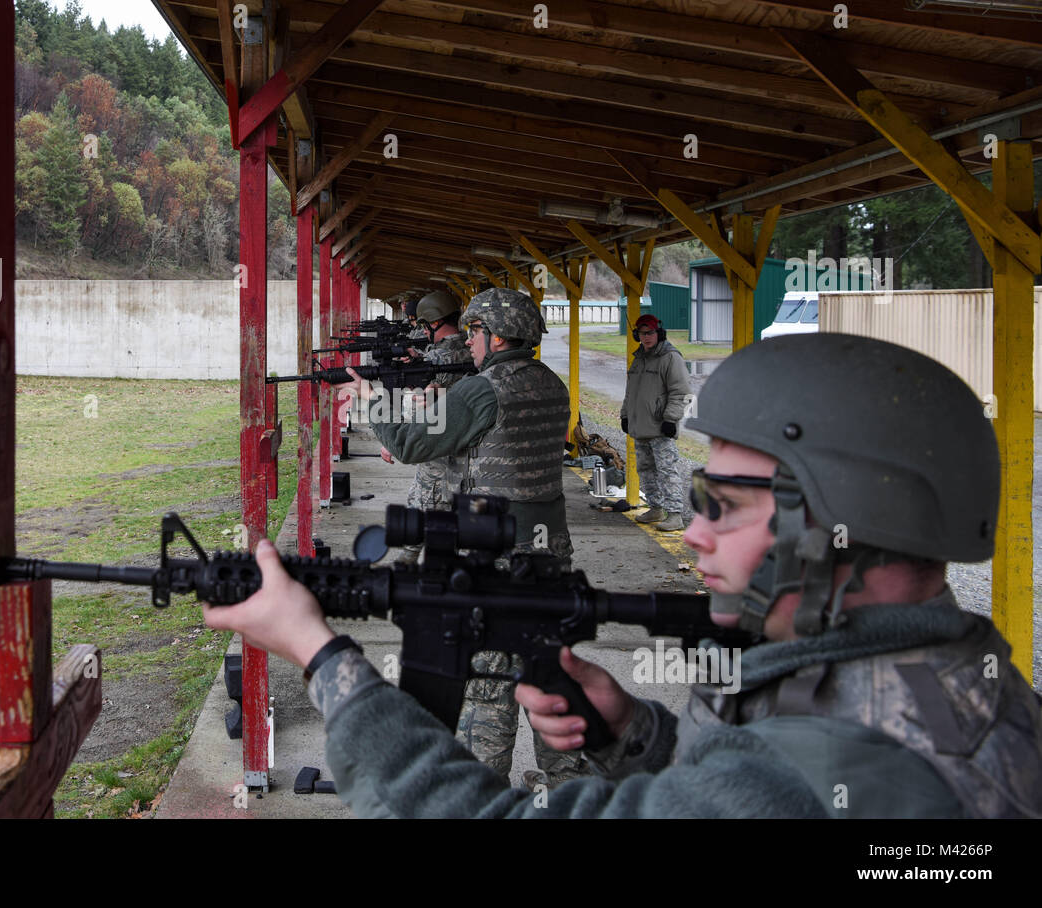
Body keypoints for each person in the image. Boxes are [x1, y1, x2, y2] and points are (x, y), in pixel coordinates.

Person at [204, 333, 1042, 818]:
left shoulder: (843, 765)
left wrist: (321, 657)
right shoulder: (958, 690)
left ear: (844, 521)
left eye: (725, 504)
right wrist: (634, 732)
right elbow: (737, 782)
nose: (696, 530)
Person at [350, 287, 580, 785]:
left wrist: (374, 402)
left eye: (476, 332)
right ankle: (567, 788)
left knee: (490, 683)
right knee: (549, 669)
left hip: (494, 556)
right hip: (549, 553)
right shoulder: (551, 384)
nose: (470, 342)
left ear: (497, 338)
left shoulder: (483, 389)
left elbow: (412, 443)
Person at [377, 290, 474, 565]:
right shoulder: (469, 349)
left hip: (440, 451)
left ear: (433, 323)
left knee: (421, 509)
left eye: (423, 324)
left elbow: (423, 405)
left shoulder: (441, 358)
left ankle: (406, 569)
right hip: (467, 452)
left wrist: (393, 439)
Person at [621, 314, 691, 532]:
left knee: (667, 469)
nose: (647, 337)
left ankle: (675, 514)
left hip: (660, 427)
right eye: (643, 333)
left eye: (650, 332)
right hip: (640, 426)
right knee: (646, 469)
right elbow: (631, 391)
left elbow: (681, 392)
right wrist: (625, 415)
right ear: (637, 335)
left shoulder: (671, 358)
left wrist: (670, 419)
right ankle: (656, 508)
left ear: (659, 333)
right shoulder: (639, 358)